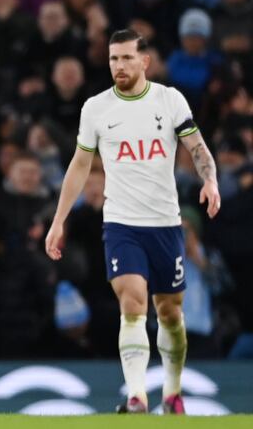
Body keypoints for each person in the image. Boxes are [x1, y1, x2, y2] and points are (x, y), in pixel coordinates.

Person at [45, 29, 221, 414]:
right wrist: (59, 219)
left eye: (126, 58)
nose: (119, 66)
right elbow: (79, 165)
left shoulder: (169, 100)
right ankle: (138, 395)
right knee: (133, 303)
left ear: (144, 62)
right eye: (113, 59)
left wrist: (209, 178)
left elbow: (196, 145)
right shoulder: (95, 108)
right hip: (122, 224)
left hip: (165, 224)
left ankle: (173, 393)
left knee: (171, 312)